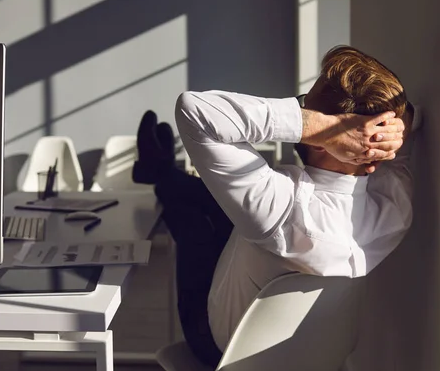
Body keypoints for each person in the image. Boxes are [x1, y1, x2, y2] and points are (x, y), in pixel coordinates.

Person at [133, 45, 416, 367]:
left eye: (305, 109)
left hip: (221, 350)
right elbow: (411, 122)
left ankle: (159, 171)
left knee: (193, 225)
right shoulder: (396, 206)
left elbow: (195, 109)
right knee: (211, 200)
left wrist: (323, 128)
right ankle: (160, 170)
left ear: (332, 140)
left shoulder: (280, 206)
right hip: (323, 355)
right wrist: (386, 130)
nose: (303, 114)